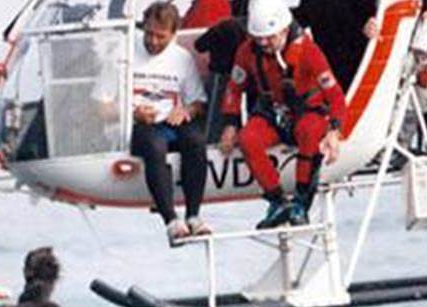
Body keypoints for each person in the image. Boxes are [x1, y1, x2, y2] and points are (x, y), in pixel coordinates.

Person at [218, 0, 347, 229]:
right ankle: (276, 201)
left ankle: (301, 200)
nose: (264, 43)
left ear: (285, 30)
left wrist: (335, 130)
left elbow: (335, 96)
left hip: (307, 114)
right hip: (274, 114)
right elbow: (234, 88)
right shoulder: (247, 52)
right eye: (259, 38)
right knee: (248, 138)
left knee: (309, 130)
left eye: (270, 37)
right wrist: (230, 124)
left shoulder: (309, 52)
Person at [128, 2, 212, 243]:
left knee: (196, 141)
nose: (153, 42)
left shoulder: (181, 58)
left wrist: (186, 110)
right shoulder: (127, 49)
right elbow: (103, 103)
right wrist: (134, 112)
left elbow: (199, 102)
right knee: (155, 147)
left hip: (169, 120)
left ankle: (193, 215)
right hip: (139, 124)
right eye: (149, 34)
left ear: (173, 35)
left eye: (160, 37)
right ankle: (171, 220)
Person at [291, 0, 378, 92]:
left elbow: (378, 12)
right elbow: (301, 17)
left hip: (361, 61)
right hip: (331, 67)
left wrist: (373, 20)